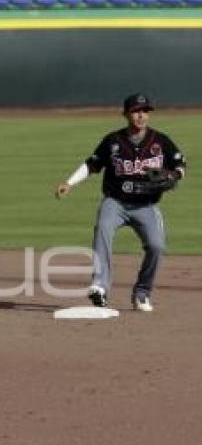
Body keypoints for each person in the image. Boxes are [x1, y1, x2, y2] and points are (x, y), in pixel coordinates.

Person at [55, 92, 187, 311]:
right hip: (115, 203)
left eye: (145, 111)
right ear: (125, 114)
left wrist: (175, 175)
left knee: (157, 246)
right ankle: (99, 286)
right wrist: (69, 182)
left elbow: (180, 164)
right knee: (103, 230)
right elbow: (92, 164)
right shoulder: (113, 141)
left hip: (146, 206)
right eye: (136, 111)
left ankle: (142, 293)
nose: (141, 115)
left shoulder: (161, 141)